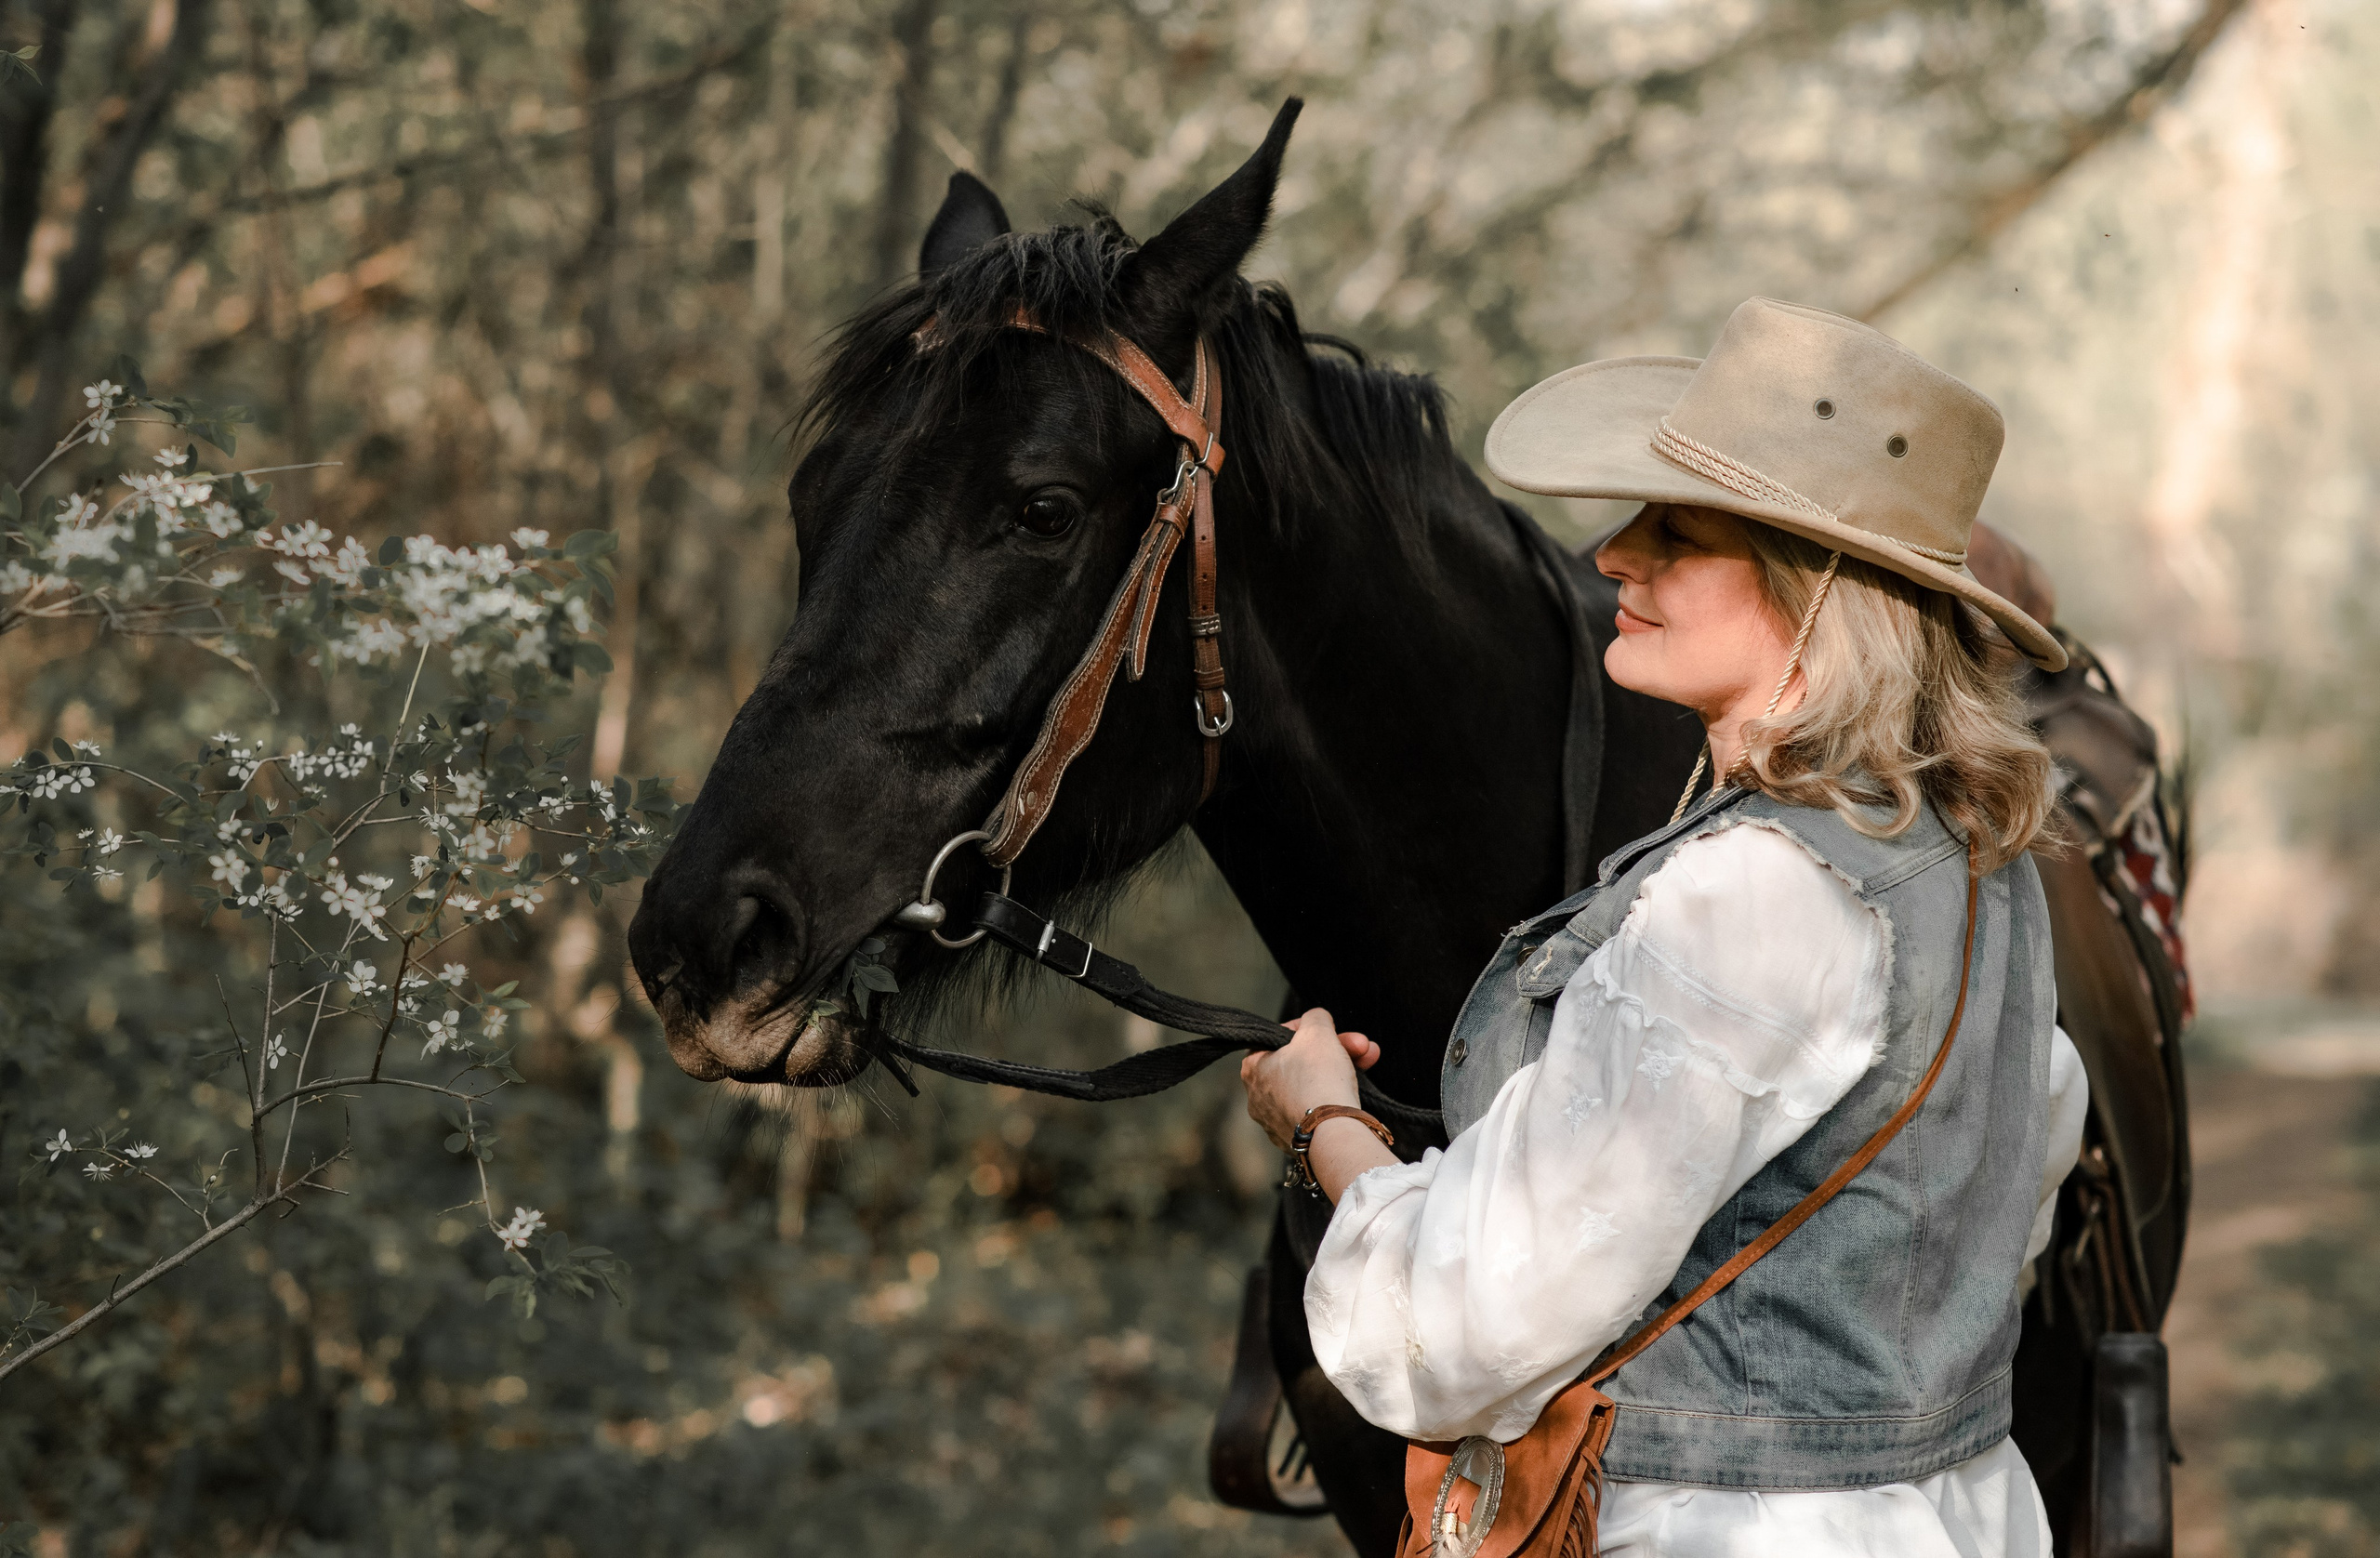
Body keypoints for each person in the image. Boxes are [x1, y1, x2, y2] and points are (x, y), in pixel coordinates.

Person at [1239, 297, 2090, 1556]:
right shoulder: (1970, 853)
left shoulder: (1747, 900)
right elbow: (2027, 1141)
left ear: (1816, 592)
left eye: (1677, 531)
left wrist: (1327, 1124)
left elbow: (1463, 1333)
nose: (1612, 556)